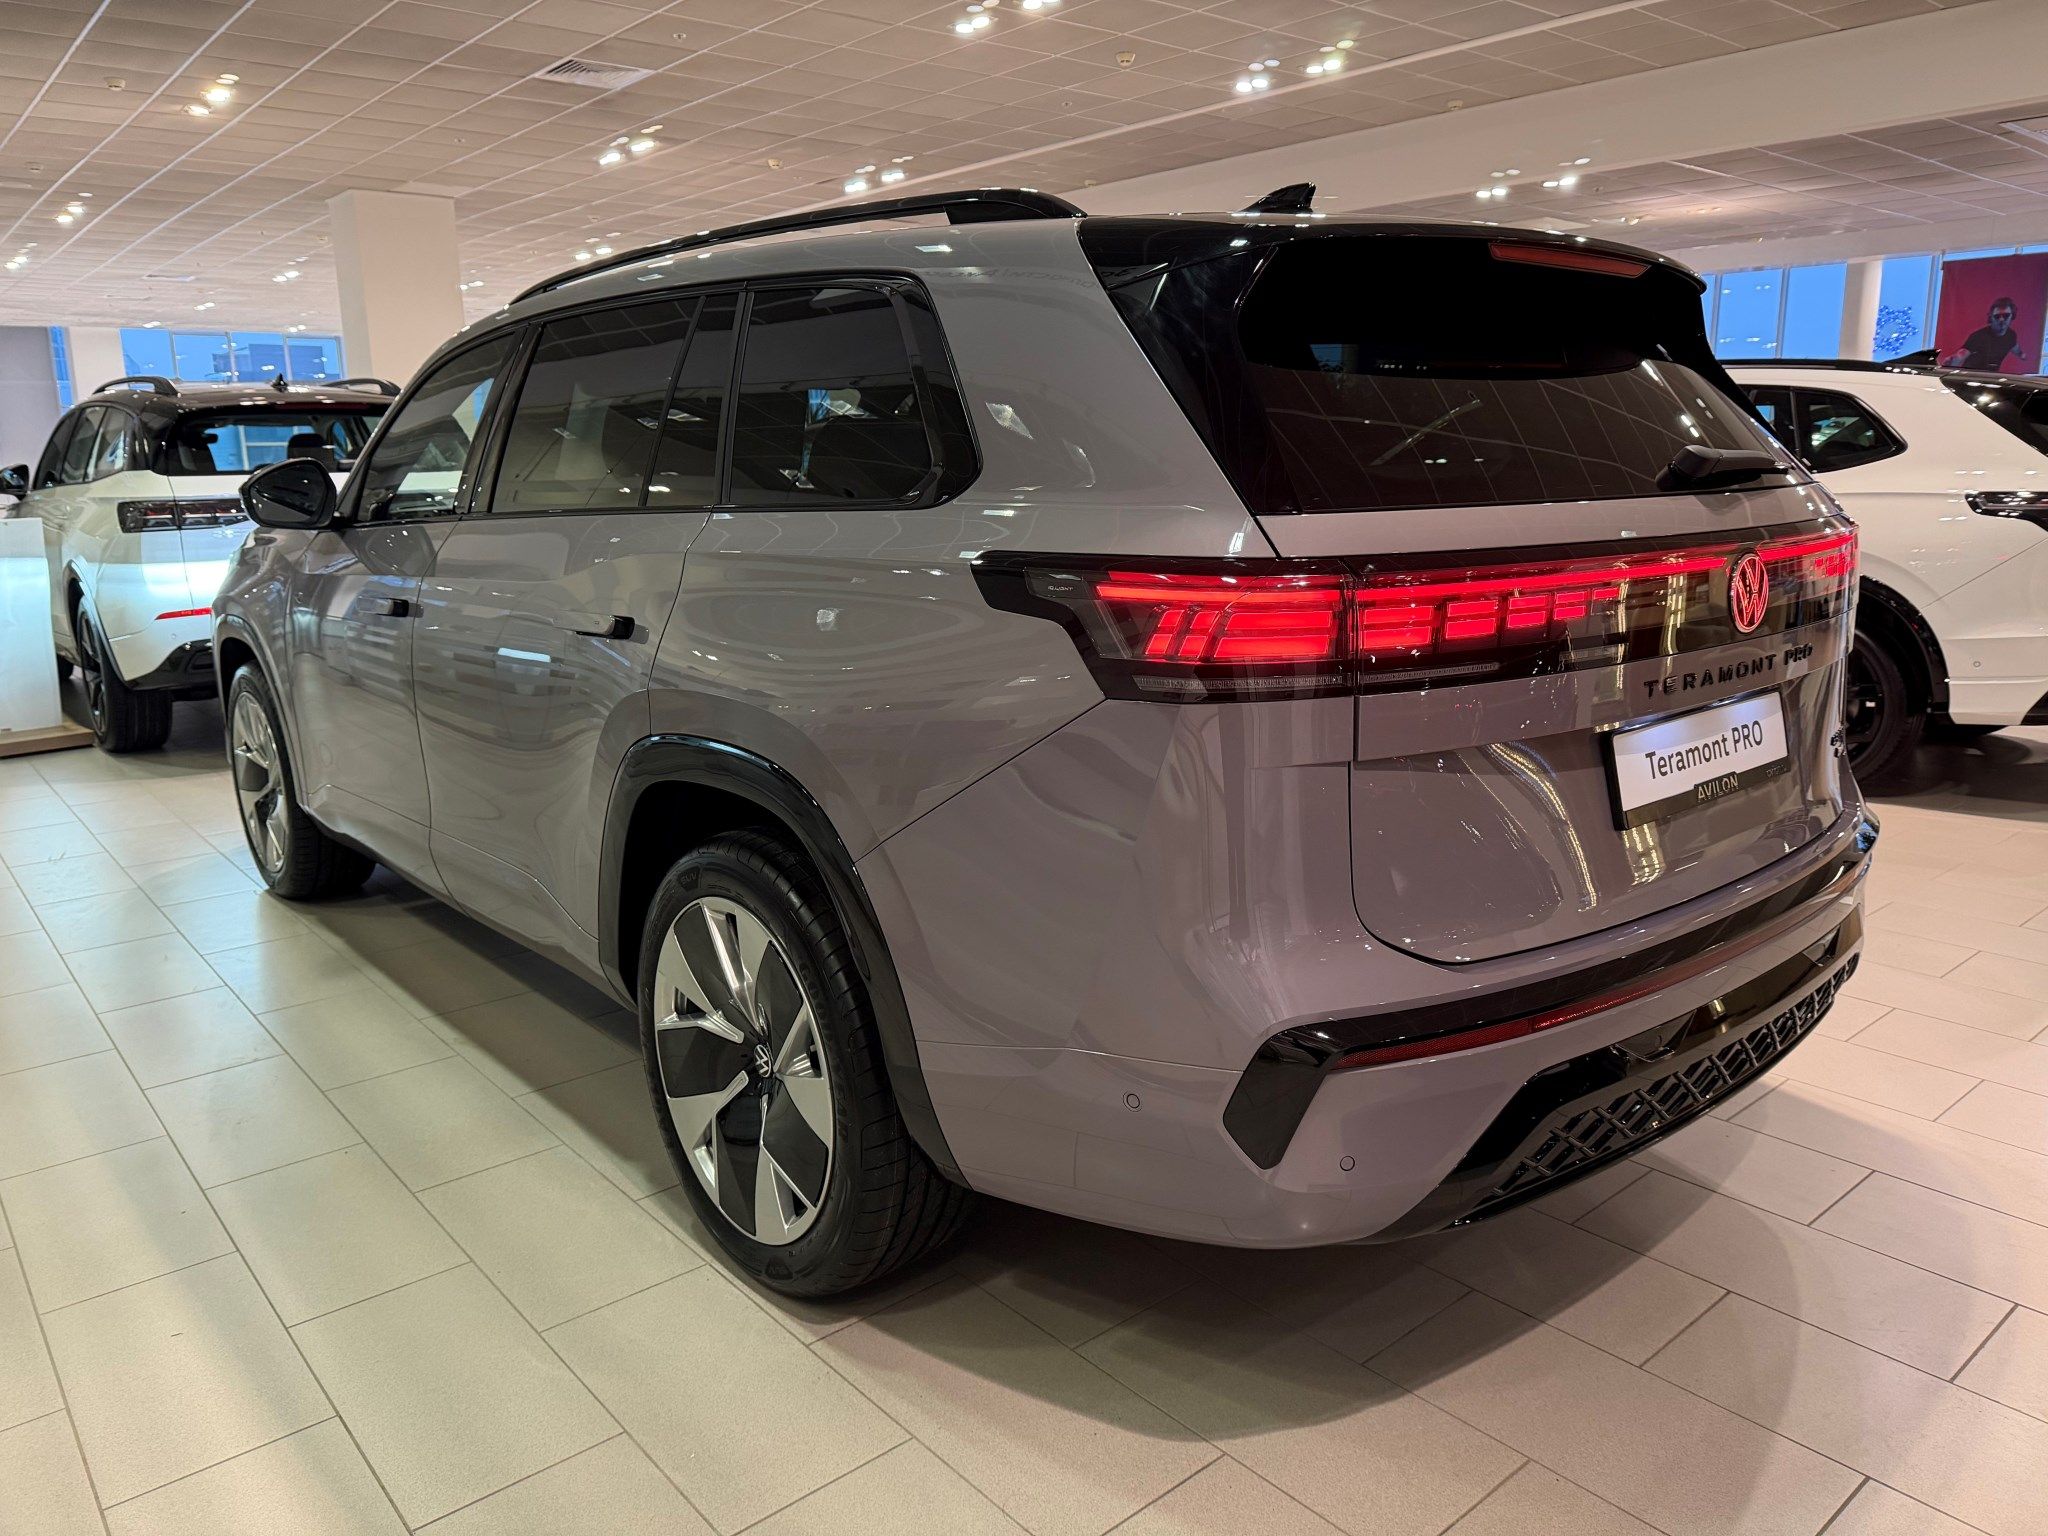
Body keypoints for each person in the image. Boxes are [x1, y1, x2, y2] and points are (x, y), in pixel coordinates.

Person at [1944, 297, 2030, 372]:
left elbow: (2015, 347)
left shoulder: (2011, 335)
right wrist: (1952, 362)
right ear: (1991, 317)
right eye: (1997, 316)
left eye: (2006, 315)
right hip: (1970, 378)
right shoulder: (1978, 336)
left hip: (1991, 378)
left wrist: (2023, 355)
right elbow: (1962, 354)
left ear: (2012, 316)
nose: (2001, 319)